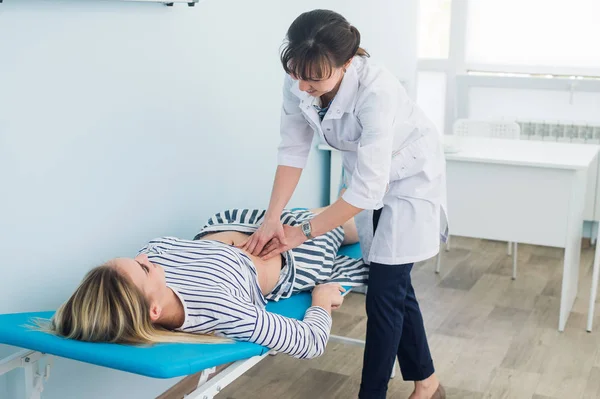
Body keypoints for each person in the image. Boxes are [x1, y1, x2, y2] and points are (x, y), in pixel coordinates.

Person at [239, 9, 448, 399]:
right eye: (296, 74)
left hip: (409, 178)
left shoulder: (377, 92)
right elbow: (292, 150)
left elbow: (368, 189)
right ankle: (429, 384)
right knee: (394, 284)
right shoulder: (301, 80)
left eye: (314, 78)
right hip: (369, 177)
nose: (303, 86)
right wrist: (271, 219)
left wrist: (299, 234)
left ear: (347, 63)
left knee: (385, 293)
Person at [39, 207, 368, 359]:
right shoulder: (218, 309)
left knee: (331, 210)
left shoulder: (145, 277)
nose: (144, 257)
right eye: (142, 268)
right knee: (343, 220)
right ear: (154, 310)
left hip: (232, 223)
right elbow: (309, 342)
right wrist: (322, 300)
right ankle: (377, 210)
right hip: (294, 256)